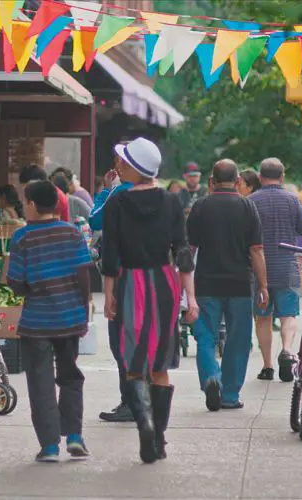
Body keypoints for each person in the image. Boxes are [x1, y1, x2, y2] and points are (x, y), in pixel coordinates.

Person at [101, 137, 198, 463]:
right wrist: (192, 298)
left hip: (129, 282)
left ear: (134, 167)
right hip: (163, 283)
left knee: (132, 362)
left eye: (123, 161)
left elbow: (110, 254)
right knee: (161, 364)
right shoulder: (172, 202)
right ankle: (158, 436)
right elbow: (181, 252)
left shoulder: (117, 202)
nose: (119, 166)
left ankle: (143, 423)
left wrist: (109, 295)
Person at [7, 179, 93, 462]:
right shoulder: (72, 233)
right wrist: (84, 310)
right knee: (70, 375)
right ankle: (76, 436)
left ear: (31, 204)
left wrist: (33, 287)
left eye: (24, 201)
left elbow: (16, 282)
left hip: (37, 322)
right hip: (69, 318)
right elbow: (84, 276)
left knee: (40, 382)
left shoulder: (22, 238)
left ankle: (50, 446)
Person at [187, 160, 268, 411]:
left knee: (205, 336)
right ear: (237, 182)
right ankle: (230, 395)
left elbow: (188, 249)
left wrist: (183, 286)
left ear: (212, 181)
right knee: (238, 339)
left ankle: (212, 376)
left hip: (206, 283)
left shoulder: (199, 207)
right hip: (240, 284)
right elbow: (256, 250)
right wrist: (263, 284)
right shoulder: (247, 207)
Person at [248, 158, 302, 382]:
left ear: (260, 177)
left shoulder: (251, 201)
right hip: (288, 268)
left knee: (263, 318)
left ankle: (267, 366)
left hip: (259, 272)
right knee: (288, 315)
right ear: (282, 176)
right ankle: (287, 351)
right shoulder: (292, 200)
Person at [90, 143, 136, 423]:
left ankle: (129, 401)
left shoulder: (119, 193)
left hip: (121, 277)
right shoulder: (157, 195)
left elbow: (96, 221)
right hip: (149, 278)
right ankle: (142, 399)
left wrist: (105, 191)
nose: (117, 164)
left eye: (120, 159)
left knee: (121, 342)